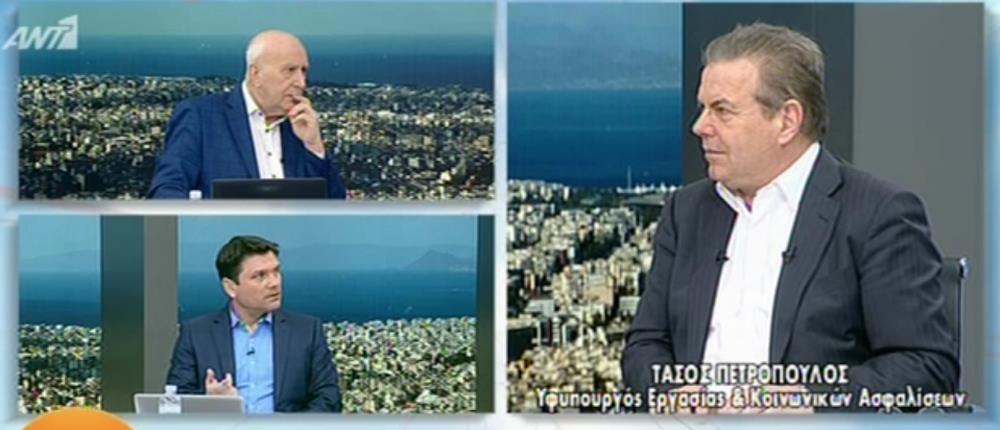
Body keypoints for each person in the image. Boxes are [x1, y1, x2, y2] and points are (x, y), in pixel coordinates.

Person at [621, 23, 958, 412]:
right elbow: (645, 346)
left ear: (787, 121)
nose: (700, 127)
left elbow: (926, 367)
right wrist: (670, 393)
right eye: (702, 108)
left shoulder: (878, 214)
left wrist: (813, 402)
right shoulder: (686, 211)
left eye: (722, 111)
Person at [148, 30, 347, 199]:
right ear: (256, 74)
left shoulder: (301, 126)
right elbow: (166, 191)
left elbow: (335, 205)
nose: (301, 82)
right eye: (290, 70)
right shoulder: (201, 116)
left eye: (303, 71)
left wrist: (314, 147)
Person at [166, 235, 342, 413]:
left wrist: (288, 426)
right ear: (230, 287)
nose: (274, 283)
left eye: (276, 271)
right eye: (260, 276)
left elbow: (329, 398)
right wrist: (208, 403)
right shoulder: (196, 334)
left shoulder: (306, 330)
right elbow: (175, 402)